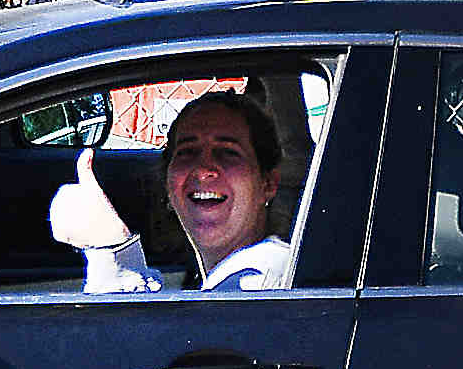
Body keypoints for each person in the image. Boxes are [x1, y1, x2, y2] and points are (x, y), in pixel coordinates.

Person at [49, 89, 293, 291]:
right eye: (187, 152)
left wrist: (112, 252)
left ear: (267, 184)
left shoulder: (262, 277)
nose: (203, 170)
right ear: (167, 184)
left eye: (228, 152)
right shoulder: (225, 278)